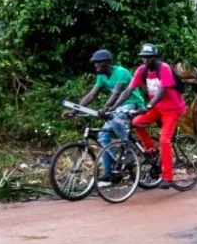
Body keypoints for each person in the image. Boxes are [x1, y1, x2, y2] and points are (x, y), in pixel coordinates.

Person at [107, 44, 186, 189]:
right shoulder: (141, 71)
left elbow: (162, 90)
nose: (146, 59)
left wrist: (148, 106)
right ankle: (151, 151)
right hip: (156, 108)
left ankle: (167, 177)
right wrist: (113, 107)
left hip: (171, 109)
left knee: (164, 140)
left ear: (155, 57)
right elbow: (128, 90)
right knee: (136, 123)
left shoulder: (164, 69)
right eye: (143, 56)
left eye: (149, 57)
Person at [67, 49, 145, 181]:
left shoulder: (121, 72)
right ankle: (111, 171)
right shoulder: (101, 76)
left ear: (107, 62)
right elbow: (92, 95)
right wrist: (76, 110)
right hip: (117, 106)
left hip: (132, 103)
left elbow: (116, 93)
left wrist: (106, 108)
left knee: (115, 121)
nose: (95, 65)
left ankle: (131, 149)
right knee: (103, 137)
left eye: (98, 62)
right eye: (94, 62)